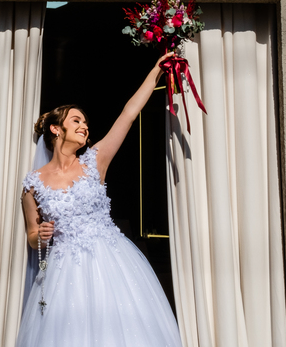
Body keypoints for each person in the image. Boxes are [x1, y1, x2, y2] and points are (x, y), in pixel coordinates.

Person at [16, 52, 182, 347]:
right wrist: (39, 235)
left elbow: (129, 114)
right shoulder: (32, 184)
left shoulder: (95, 161)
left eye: (86, 122)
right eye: (76, 120)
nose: (85, 126)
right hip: (64, 273)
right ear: (56, 129)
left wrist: (156, 71)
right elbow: (31, 235)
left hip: (111, 261)